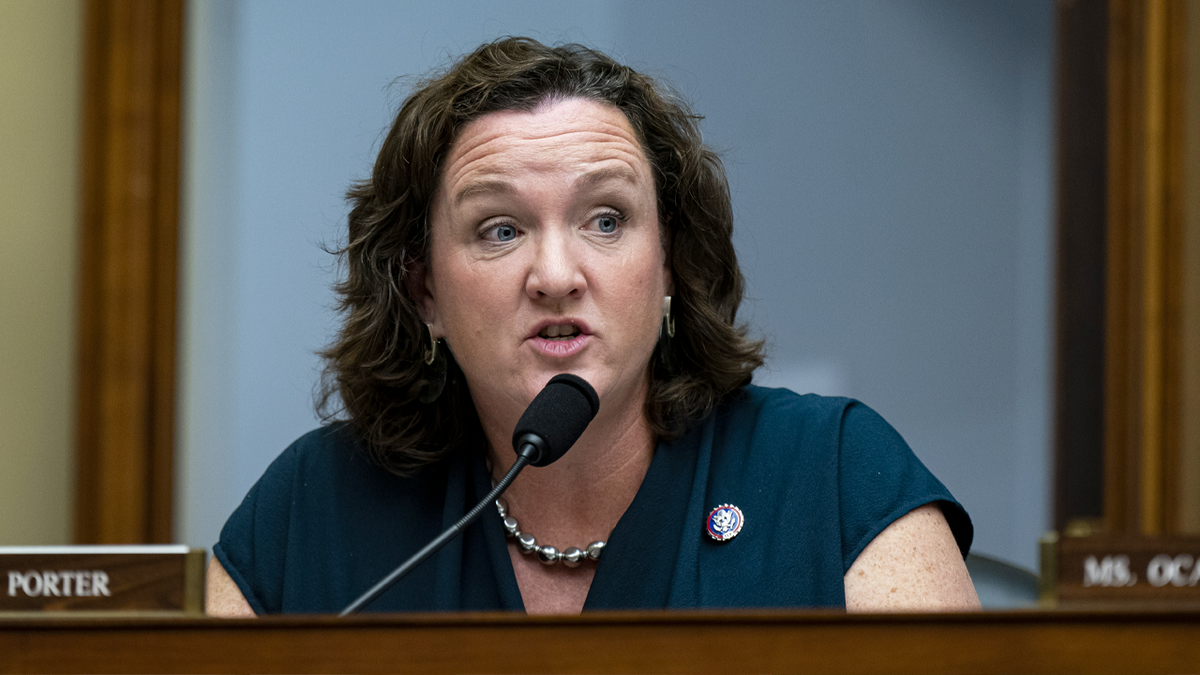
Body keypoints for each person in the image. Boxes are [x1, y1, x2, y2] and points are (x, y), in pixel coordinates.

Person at [206, 37, 979, 617]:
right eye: (499, 230)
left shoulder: (837, 474)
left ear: (670, 262)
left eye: (606, 219)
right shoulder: (313, 506)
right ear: (425, 292)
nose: (556, 274)